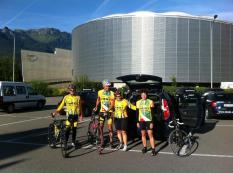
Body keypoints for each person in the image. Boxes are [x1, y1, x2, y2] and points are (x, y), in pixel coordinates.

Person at [93, 79, 114, 150]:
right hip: (101, 112)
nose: (108, 87)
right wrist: (96, 106)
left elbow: (112, 104)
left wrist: (107, 110)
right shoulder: (100, 92)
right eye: (107, 86)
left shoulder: (111, 93)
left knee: (110, 128)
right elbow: (98, 99)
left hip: (109, 112)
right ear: (103, 86)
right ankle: (102, 142)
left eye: (109, 86)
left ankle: (111, 142)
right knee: (101, 127)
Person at [136, 89, 157, 156]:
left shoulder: (150, 101)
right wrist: (137, 122)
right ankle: (145, 147)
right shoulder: (138, 102)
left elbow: (153, 113)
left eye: (145, 94)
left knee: (150, 134)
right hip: (141, 120)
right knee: (143, 134)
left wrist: (152, 122)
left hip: (149, 120)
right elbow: (137, 113)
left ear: (146, 95)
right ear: (141, 95)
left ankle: (153, 149)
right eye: (142, 95)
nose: (143, 96)